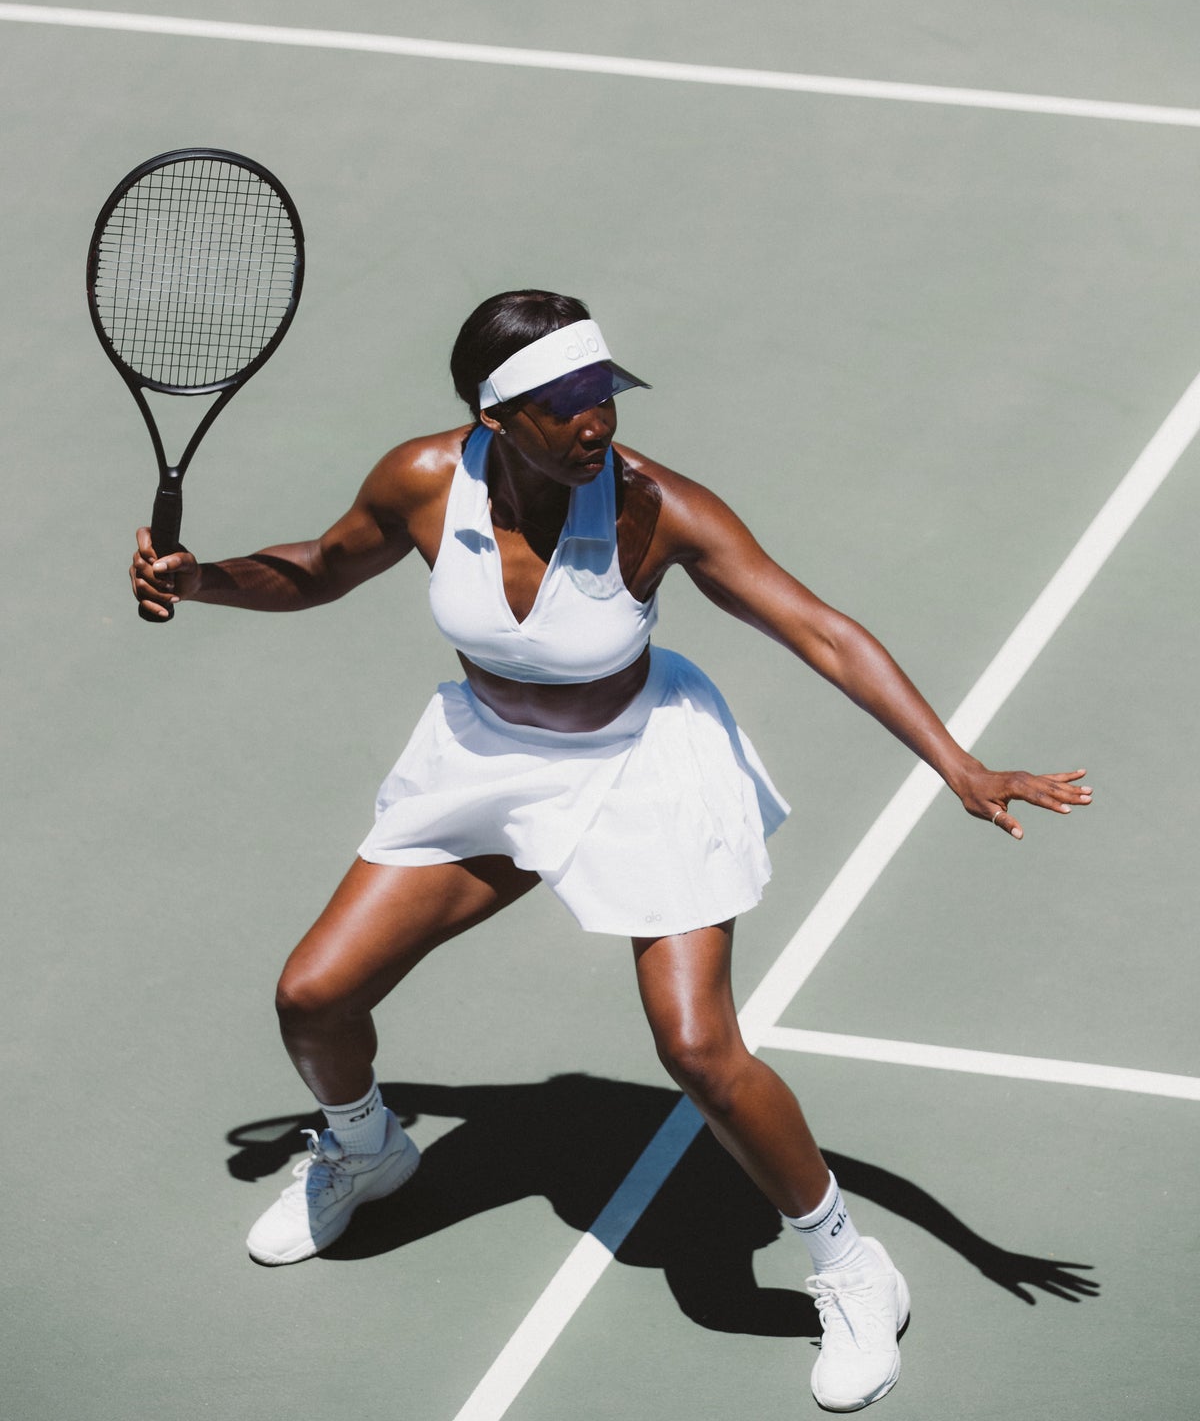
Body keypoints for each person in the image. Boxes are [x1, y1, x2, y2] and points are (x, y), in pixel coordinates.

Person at [130, 290, 1090, 1412]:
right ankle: (367, 1148)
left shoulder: (654, 508)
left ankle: (849, 1263)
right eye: (566, 404)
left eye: (604, 395)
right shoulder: (423, 480)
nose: (597, 423)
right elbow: (323, 565)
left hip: (642, 765)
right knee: (314, 995)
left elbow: (820, 629)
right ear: (495, 416)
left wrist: (957, 763)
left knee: (699, 1050)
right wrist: (202, 579)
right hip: (488, 761)